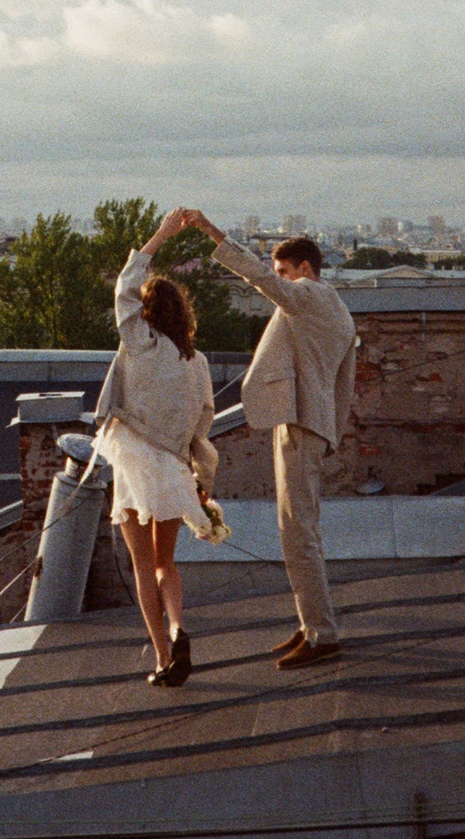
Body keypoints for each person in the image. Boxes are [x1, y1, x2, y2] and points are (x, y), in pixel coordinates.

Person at [182, 209, 356, 669]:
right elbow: (345, 384)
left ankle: (322, 634)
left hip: (300, 422)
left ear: (304, 269)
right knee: (299, 529)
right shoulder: (337, 307)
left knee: (298, 533)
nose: (281, 281)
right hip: (309, 423)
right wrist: (331, 430)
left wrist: (211, 232)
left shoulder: (308, 295)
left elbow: (260, 277)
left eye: (286, 272)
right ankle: (311, 624)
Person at [93, 207, 221, 687]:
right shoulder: (197, 359)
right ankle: (178, 624)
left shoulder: (141, 342)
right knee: (167, 562)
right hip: (171, 466)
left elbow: (124, 287)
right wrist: (199, 482)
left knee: (141, 565)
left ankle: (164, 659)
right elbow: (203, 422)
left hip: (132, 461)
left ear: (147, 313)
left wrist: (161, 235)